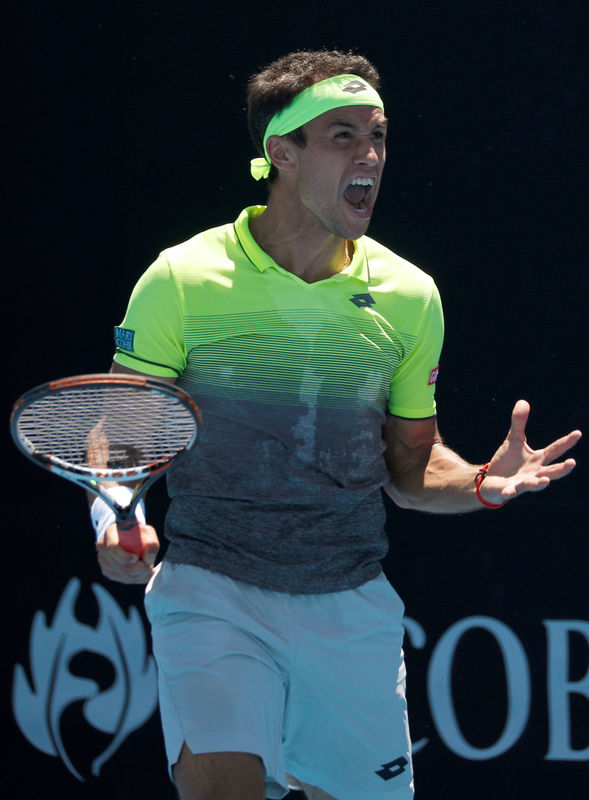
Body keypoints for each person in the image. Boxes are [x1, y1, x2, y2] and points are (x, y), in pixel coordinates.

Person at [93, 50, 581, 800]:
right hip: (212, 588)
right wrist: (114, 510)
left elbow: (411, 467)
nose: (371, 156)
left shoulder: (409, 296)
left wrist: (484, 483)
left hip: (349, 603)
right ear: (280, 155)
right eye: (342, 136)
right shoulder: (182, 280)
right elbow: (123, 427)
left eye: (378, 135)